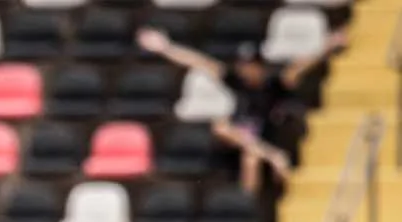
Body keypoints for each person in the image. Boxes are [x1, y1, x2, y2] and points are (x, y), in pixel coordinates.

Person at [137, 26, 347, 193]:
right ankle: (266, 164)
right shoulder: (236, 81)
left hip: (265, 139)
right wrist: (165, 47)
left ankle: (250, 205)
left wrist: (329, 44)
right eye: (243, 65)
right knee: (225, 130)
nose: (245, 70)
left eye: (250, 65)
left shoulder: (275, 84)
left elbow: (301, 66)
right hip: (240, 141)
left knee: (252, 157)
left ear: (260, 66)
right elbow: (198, 62)